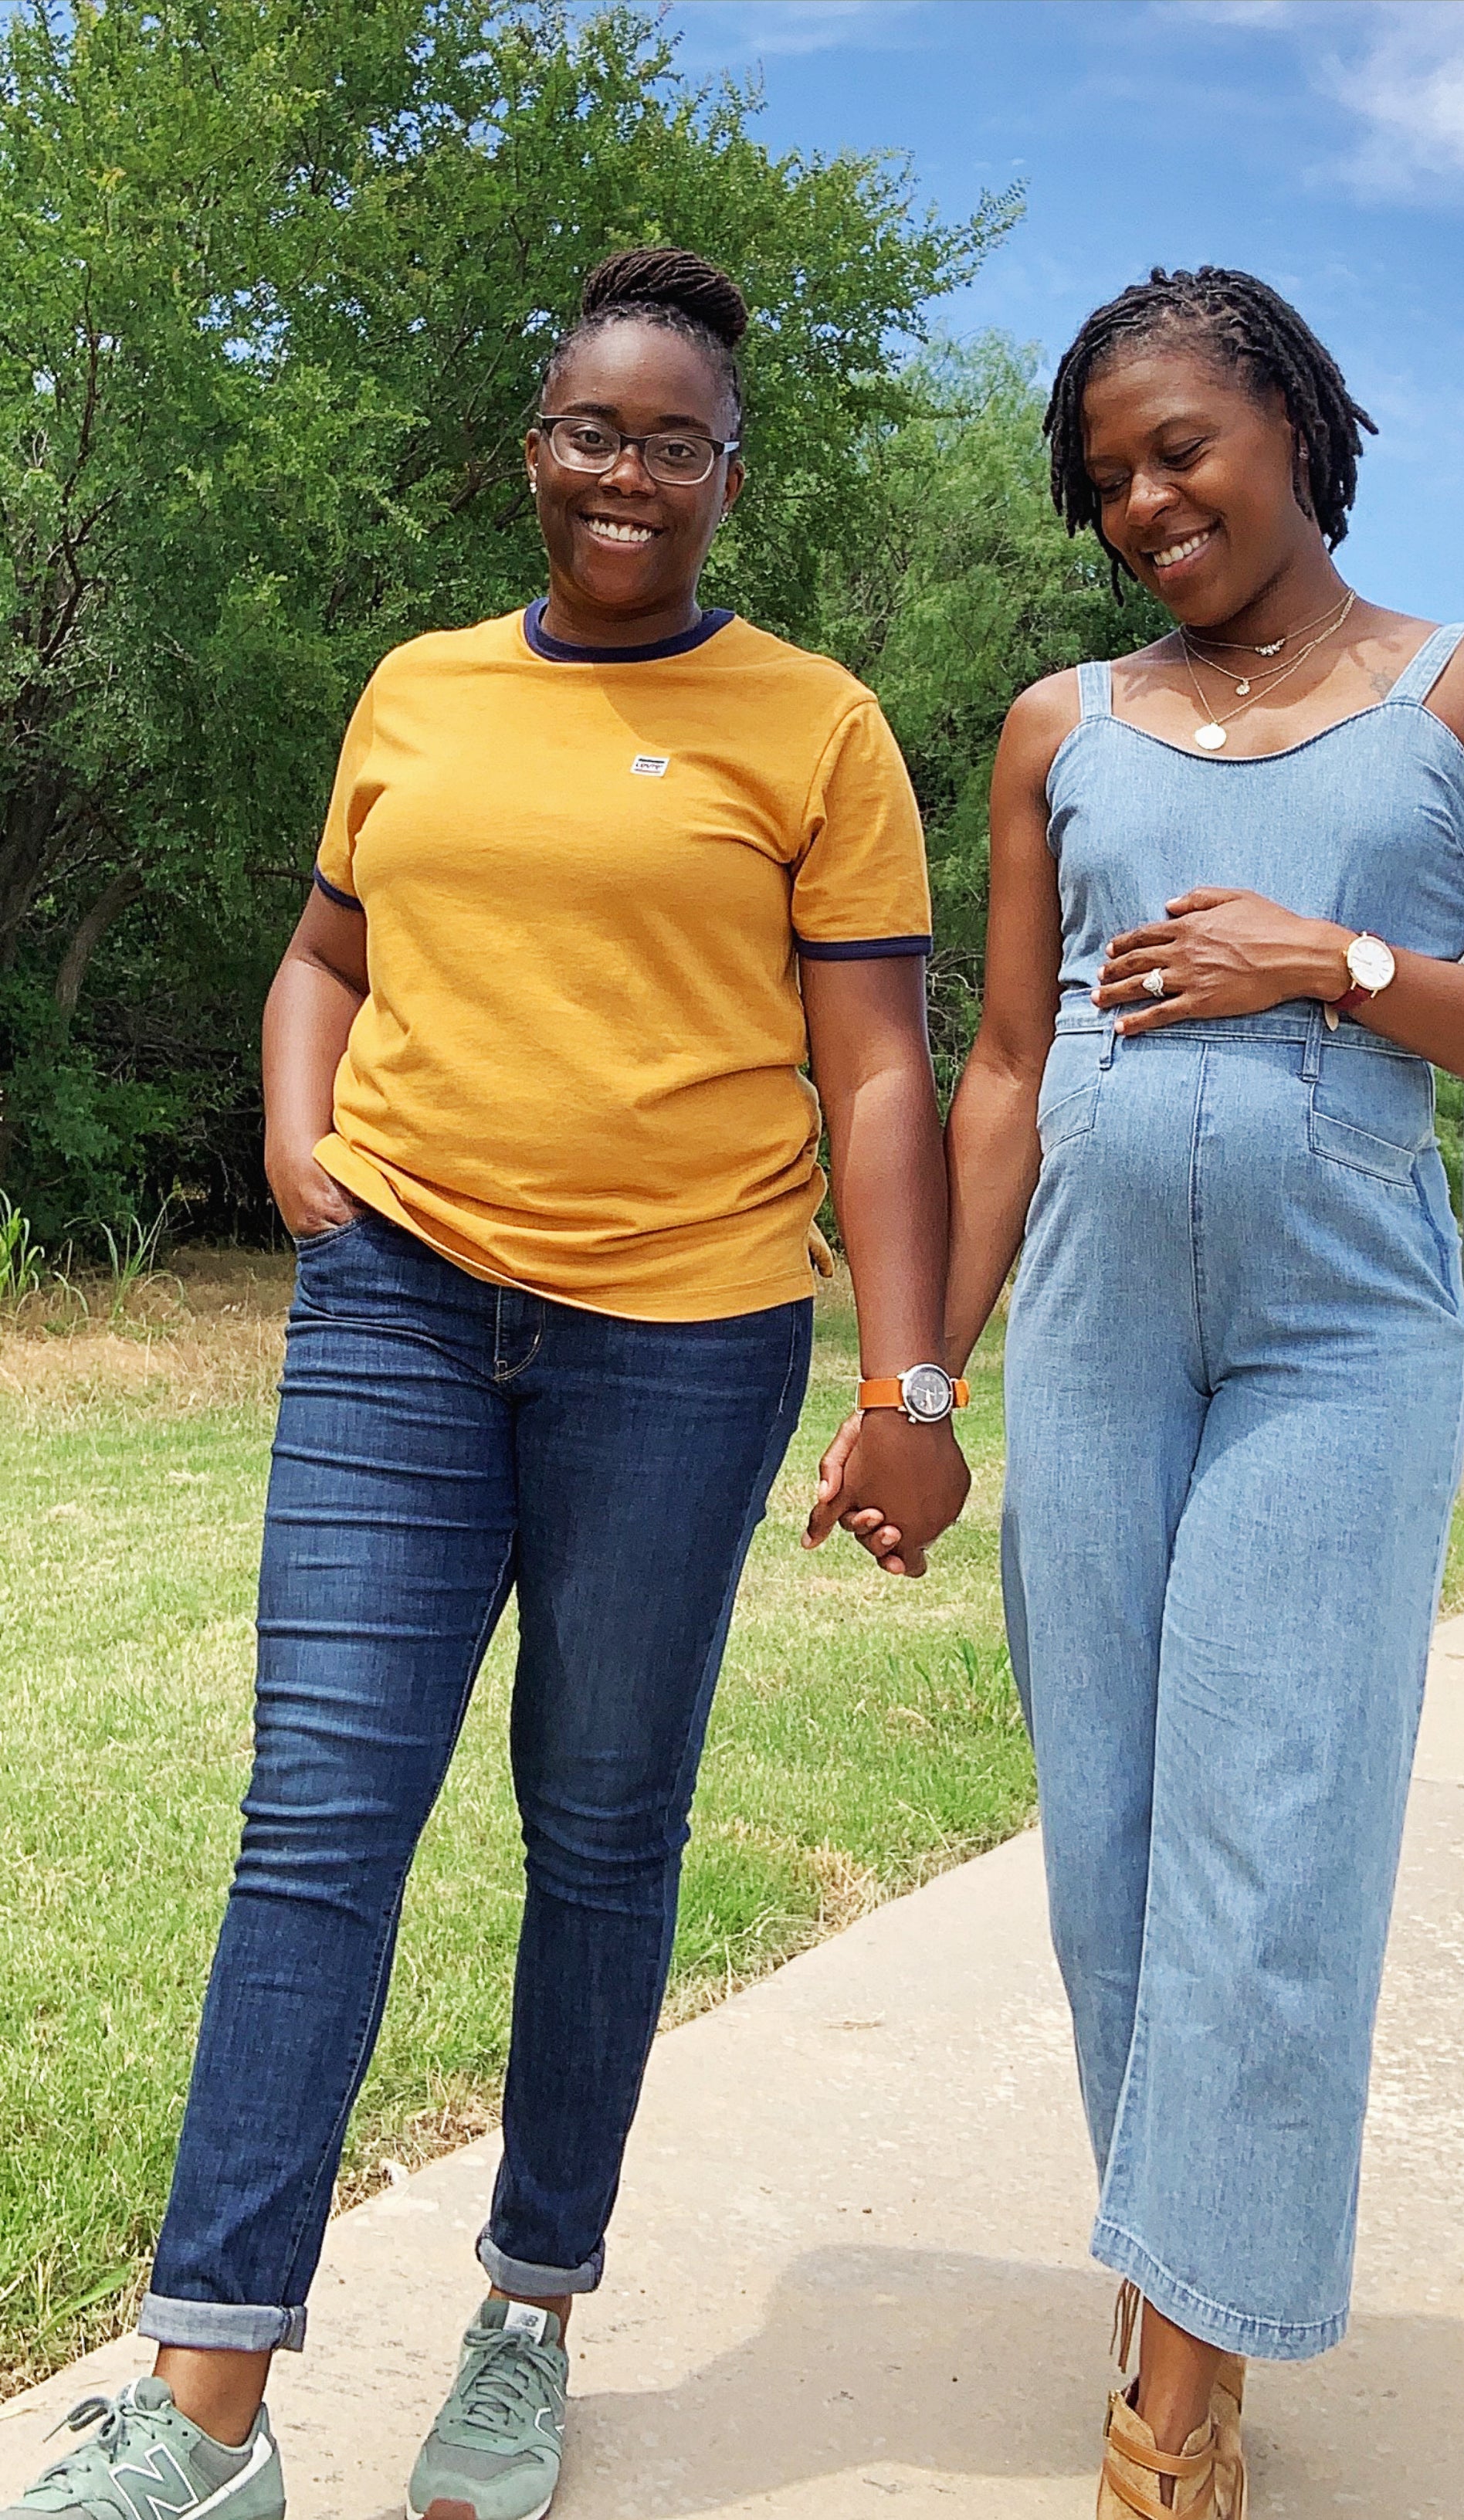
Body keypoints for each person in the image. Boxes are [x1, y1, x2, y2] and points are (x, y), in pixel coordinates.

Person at [11, 247, 969, 2520]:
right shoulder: (420, 685)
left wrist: (910, 1377)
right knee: (319, 1820)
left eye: (675, 441)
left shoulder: (812, 725)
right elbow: (325, 949)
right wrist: (288, 1110)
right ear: (531, 447)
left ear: (731, 476)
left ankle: (527, 2315)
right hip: (402, 1307)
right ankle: (208, 2406)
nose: (627, 472)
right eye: (589, 429)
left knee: (603, 1831)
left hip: (686, 1333)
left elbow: (884, 1074)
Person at [898, 265, 1464, 2517]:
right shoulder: (1061, 726)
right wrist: (921, 1369)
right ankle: (1179, 2274)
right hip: (1101, 1332)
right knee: (1110, 1850)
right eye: (1107, 476)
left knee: (1273, 1847)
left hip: (1341, 1332)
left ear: (1296, 426)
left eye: (1181, 449)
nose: (1144, 502)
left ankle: (1183, 2387)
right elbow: (1007, 1065)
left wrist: (1349, 962)